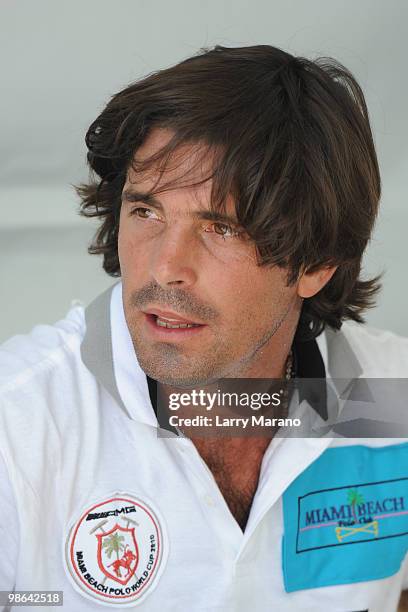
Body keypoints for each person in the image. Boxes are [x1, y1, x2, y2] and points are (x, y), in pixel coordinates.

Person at [0, 44, 407, 611]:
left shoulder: (395, 397)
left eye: (221, 228)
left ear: (316, 264)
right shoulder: (15, 428)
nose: (164, 267)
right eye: (145, 211)